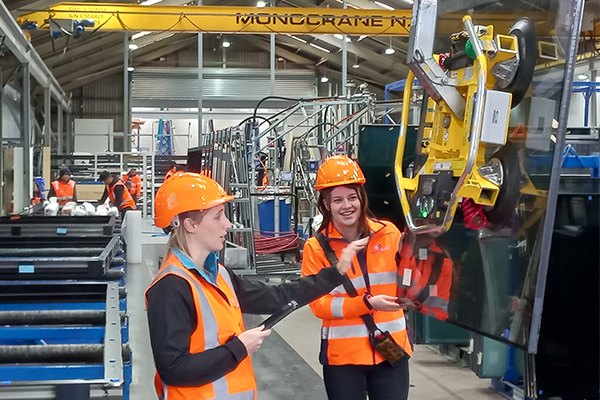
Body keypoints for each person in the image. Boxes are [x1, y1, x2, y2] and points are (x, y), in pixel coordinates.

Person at [146, 172, 353, 400]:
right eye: (218, 216)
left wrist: (335, 274)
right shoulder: (171, 287)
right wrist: (239, 348)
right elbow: (174, 370)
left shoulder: (219, 274)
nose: (227, 223)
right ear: (190, 224)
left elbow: (275, 296)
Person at [301, 155, 412, 400]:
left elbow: (410, 279)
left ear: (362, 198)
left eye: (352, 197)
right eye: (337, 200)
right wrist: (367, 304)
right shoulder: (316, 248)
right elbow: (319, 305)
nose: (346, 206)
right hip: (343, 359)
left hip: (390, 351)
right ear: (326, 204)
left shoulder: (388, 234)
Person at [396, 231, 454, 321]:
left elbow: (441, 314)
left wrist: (418, 308)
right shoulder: (388, 245)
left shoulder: (442, 262)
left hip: (414, 328)